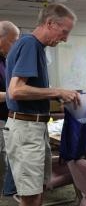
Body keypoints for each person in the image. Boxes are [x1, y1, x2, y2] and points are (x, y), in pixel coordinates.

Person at [4, 3, 80, 206]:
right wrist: (57, 91)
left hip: (34, 127)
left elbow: (26, 89)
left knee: (37, 189)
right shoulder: (30, 44)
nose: (65, 38)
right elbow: (16, 90)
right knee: (31, 194)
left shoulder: (35, 47)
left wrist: (57, 96)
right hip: (27, 129)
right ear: (50, 23)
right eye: (64, 32)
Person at [0, 21, 20, 196]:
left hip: (9, 117)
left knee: (11, 156)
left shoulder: (6, 61)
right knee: (5, 157)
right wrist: (15, 93)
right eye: (13, 41)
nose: (15, 46)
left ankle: (8, 190)